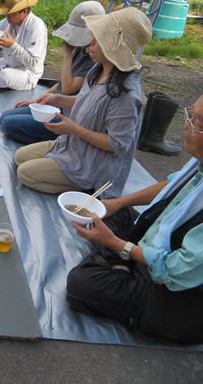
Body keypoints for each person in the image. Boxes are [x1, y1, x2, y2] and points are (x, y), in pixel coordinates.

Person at [66, 93, 203, 344]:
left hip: (174, 295)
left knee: (80, 285)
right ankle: (122, 262)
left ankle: (120, 263)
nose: (186, 125)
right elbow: (170, 184)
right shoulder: (198, 164)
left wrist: (117, 245)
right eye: (190, 114)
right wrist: (118, 202)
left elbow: (178, 268)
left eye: (198, 122)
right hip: (154, 249)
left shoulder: (125, 95)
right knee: (110, 213)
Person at [14, 7, 152, 199]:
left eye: (97, 39)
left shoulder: (126, 94)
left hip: (92, 163)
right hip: (72, 146)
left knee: (25, 174)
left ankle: (86, 189)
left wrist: (74, 129)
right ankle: (63, 169)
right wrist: (57, 98)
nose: (90, 45)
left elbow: (118, 144)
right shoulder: (99, 70)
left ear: (112, 45)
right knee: (20, 156)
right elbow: (88, 102)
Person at [0, 1, 105, 144]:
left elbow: (67, 89)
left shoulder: (94, 58)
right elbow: (62, 83)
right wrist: (42, 98)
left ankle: (57, 141)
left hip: (66, 116)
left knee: (9, 124)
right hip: (54, 105)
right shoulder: (82, 47)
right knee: (4, 116)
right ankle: (48, 138)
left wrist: (67, 55)